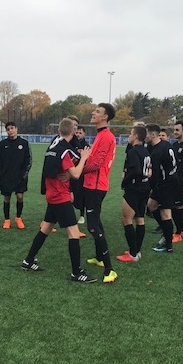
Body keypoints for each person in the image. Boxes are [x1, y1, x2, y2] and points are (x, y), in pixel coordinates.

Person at [20, 118, 96, 283]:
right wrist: (84, 157)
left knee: (45, 229)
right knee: (74, 233)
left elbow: (59, 169)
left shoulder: (54, 146)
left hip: (52, 193)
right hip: (60, 197)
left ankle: (28, 261)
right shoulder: (64, 150)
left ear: (59, 131)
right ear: (73, 132)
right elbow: (76, 174)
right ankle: (76, 272)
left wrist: (68, 173)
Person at [83, 103, 118, 284]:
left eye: (97, 111)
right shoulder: (101, 135)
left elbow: (96, 164)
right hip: (92, 184)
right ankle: (99, 257)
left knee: (92, 227)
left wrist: (76, 170)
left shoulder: (106, 136)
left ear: (105, 117)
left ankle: (109, 269)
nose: (93, 113)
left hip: (96, 186)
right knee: (96, 222)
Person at [116, 126, 152, 263]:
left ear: (136, 136)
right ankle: (137, 251)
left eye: (131, 133)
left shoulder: (133, 151)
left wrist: (125, 181)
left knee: (126, 219)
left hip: (134, 188)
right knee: (140, 219)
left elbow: (136, 171)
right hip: (145, 187)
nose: (129, 136)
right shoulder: (145, 150)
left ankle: (132, 253)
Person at [147, 123, 178, 253]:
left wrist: (149, 188)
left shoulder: (157, 152)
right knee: (151, 205)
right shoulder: (166, 144)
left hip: (167, 183)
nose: (145, 136)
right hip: (168, 180)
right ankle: (166, 231)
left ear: (153, 135)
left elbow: (154, 176)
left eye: (147, 133)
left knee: (165, 213)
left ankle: (168, 244)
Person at [0, 122, 32, 229]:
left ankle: (18, 218)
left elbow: (28, 160)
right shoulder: (3, 144)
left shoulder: (24, 143)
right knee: (7, 198)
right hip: (6, 176)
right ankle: (7, 220)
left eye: (12, 128)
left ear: (16, 129)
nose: (10, 131)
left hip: (20, 176)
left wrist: (24, 174)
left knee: (20, 197)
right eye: (8, 129)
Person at [72, 124, 89, 225]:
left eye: (80, 133)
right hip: (71, 172)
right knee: (70, 192)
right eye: (76, 132)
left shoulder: (86, 145)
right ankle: (70, 214)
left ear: (84, 134)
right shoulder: (71, 143)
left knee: (81, 194)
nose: (78, 134)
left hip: (82, 174)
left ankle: (82, 215)